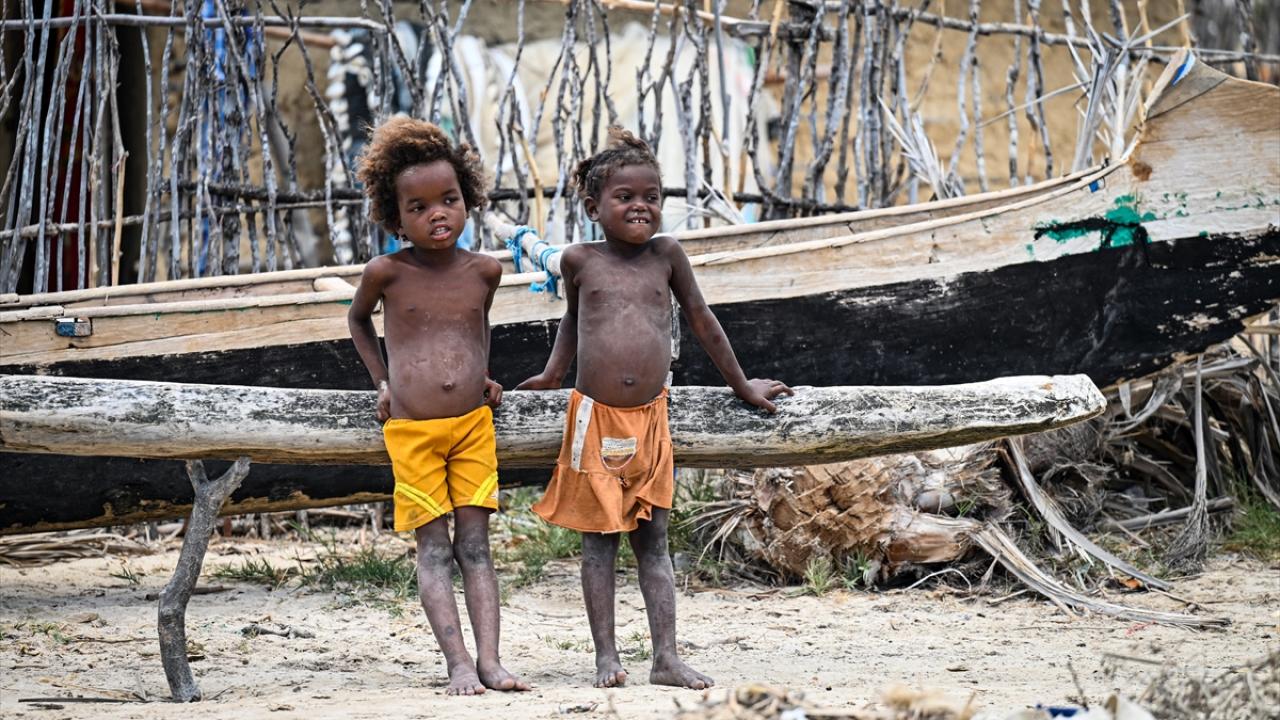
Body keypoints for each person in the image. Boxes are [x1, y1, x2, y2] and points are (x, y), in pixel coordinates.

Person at [517, 127, 792, 689]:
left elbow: (702, 321)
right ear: (594, 207)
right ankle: (605, 658)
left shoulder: (667, 255)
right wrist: (550, 374)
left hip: (651, 419)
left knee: (654, 541)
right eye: (625, 197)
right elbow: (574, 321)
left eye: (652, 196)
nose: (641, 206)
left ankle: (665, 657)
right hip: (594, 420)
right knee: (598, 544)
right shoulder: (578, 260)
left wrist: (742, 385)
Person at [348, 116, 528, 696]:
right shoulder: (387, 274)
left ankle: (492, 662)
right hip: (414, 432)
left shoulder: (485, 271)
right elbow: (355, 322)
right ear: (394, 215)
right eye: (419, 207)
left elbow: (474, 328)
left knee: (475, 546)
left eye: (448, 200)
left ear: (468, 199)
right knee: (433, 548)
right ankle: (455, 664)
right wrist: (382, 380)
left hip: (474, 427)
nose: (437, 214)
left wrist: (484, 373)